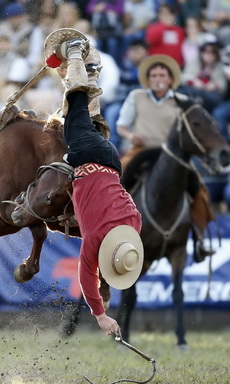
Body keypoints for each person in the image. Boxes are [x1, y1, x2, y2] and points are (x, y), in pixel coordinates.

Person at [45, 30, 143, 336]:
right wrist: (100, 316)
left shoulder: (134, 225)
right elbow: (86, 277)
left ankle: (89, 74)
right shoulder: (95, 240)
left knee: (88, 120)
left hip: (111, 159)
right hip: (86, 157)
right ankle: (76, 55)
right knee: (75, 103)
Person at [116, 53, 215, 261]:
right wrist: (130, 135)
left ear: (170, 79)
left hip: (172, 155)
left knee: (198, 189)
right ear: (148, 79)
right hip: (141, 151)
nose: (157, 78)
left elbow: (191, 130)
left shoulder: (182, 101)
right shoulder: (137, 96)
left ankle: (199, 240)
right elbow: (121, 125)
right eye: (153, 75)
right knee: (117, 184)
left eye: (162, 74)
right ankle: (110, 232)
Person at [178, 37, 226, 113]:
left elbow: (222, 85)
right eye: (206, 51)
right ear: (201, 52)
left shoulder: (219, 65)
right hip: (194, 92)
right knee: (185, 92)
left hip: (209, 96)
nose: (209, 55)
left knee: (215, 98)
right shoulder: (195, 61)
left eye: (213, 52)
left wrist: (213, 85)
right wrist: (194, 81)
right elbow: (184, 77)